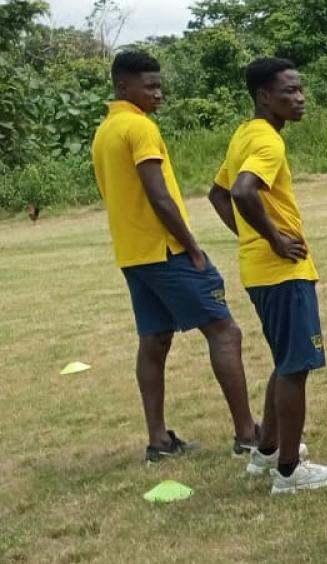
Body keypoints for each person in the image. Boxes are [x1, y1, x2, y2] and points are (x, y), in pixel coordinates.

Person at [91, 50, 260, 464]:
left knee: (155, 340)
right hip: (165, 250)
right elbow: (159, 195)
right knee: (225, 331)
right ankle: (247, 434)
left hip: (133, 255)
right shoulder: (139, 128)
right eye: (149, 86)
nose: (158, 93)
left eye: (158, 85)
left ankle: (159, 441)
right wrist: (191, 245)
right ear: (123, 87)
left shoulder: (106, 131)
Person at [206, 57, 327, 492]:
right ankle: (289, 471)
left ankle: (265, 453)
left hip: (260, 270)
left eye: (300, 89)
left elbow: (218, 193)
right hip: (282, 271)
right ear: (264, 96)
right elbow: (242, 191)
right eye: (289, 91)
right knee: (296, 367)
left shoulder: (244, 133)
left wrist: (251, 237)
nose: (299, 98)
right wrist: (275, 241)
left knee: (286, 362)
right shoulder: (267, 142)